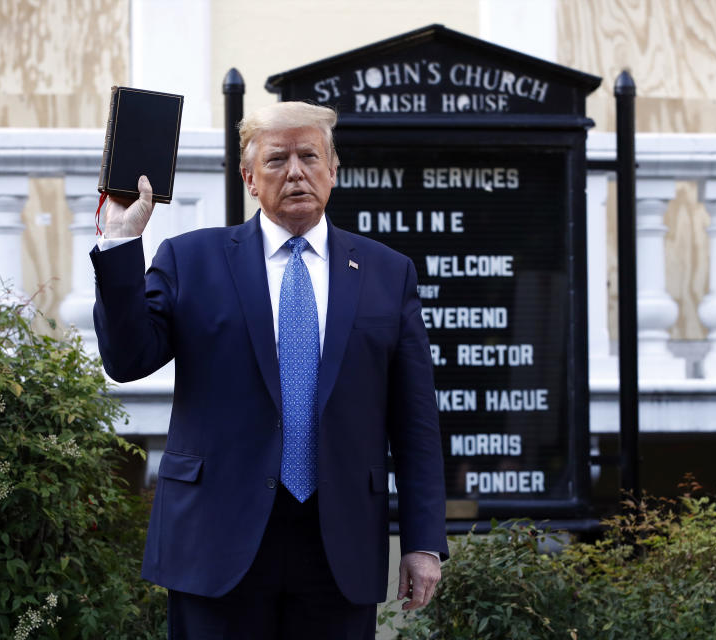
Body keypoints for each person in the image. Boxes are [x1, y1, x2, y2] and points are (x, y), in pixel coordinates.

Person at [90, 100, 448, 639]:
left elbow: (415, 421)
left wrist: (423, 541)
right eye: (277, 159)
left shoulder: (387, 273)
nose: (297, 171)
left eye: (310, 156)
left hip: (339, 542)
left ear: (333, 171)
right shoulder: (192, 260)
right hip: (216, 539)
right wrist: (121, 242)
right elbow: (127, 359)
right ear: (250, 178)